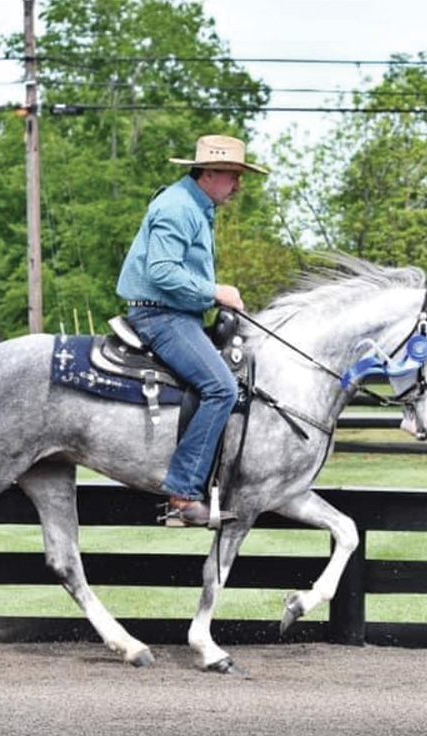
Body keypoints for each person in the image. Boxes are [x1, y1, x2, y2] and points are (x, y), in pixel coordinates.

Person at [116, 134, 268, 526]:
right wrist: (216, 291)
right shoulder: (178, 208)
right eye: (233, 176)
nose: (238, 186)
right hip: (161, 317)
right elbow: (162, 271)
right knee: (221, 388)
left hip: (178, 315)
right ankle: (183, 496)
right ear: (210, 173)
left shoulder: (195, 206)